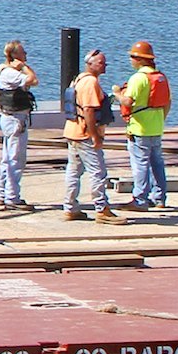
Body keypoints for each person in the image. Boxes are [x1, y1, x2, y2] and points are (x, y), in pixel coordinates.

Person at [63, 49, 120, 224]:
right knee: (98, 172)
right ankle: (102, 209)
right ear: (89, 64)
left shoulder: (78, 79)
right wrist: (94, 135)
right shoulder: (90, 82)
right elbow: (88, 110)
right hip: (84, 134)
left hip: (72, 131)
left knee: (74, 171)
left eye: (105, 63)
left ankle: (70, 207)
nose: (104, 66)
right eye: (101, 63)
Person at [118, 39, 170, 210]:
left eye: (132, 57)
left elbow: (127, 101)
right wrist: (161, 119)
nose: (130, 60)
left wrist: (117, 94)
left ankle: (140, 199)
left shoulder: (138, 78)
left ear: (140, 59)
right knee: (157, 163)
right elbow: (167, 102)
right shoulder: (160, 77)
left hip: (139, 128)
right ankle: (159, 198)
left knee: (140, 164)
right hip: (156, 127)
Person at [0, 40, 39, 208]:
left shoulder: (1, 69)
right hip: (16, 119)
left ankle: (2, 193)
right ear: (14, 55)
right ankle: (12, 197)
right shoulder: (10, 74)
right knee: (16, 159)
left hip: (7, 118)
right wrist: (25, 67)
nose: (26, 54)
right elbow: (34, 80)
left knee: (6, 158)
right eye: (22, 52)